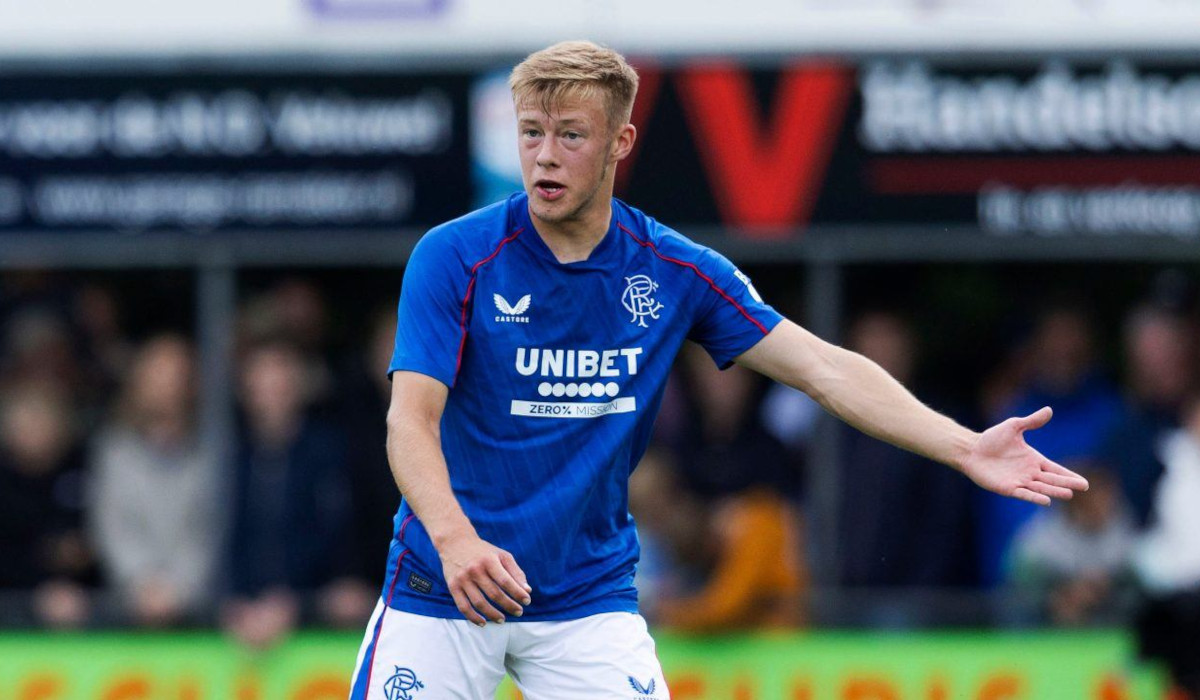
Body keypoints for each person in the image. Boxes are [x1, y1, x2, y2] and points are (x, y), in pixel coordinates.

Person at [348, 40, 1089, 700]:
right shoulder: (454, 256)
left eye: (570, 135)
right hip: (442, 585)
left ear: (619, 142)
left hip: (583, 601)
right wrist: (454, 540)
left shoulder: (675, 271)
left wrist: (963, 445)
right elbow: (409, 420)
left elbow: (822, 368)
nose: (544, 155)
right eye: (531, 133)